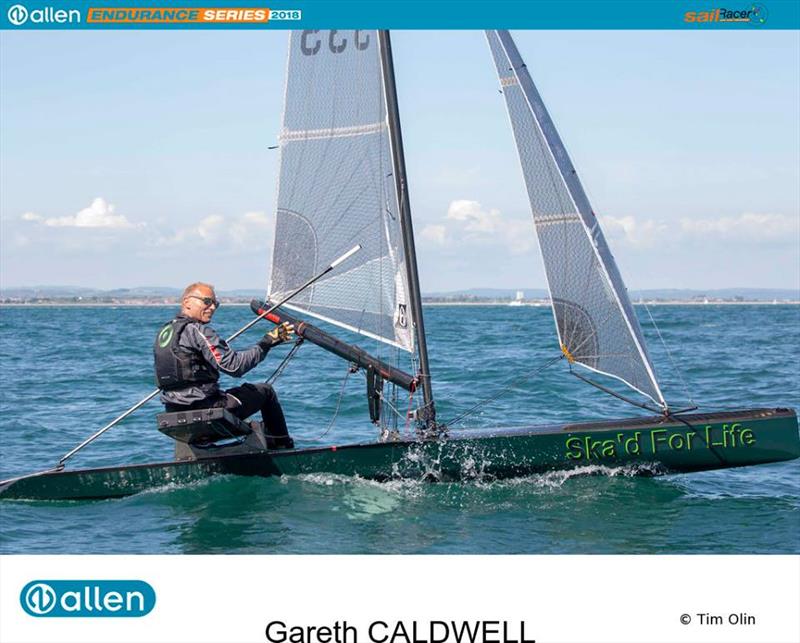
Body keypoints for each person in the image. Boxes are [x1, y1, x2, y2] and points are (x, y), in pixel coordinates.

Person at [154, 281, 295, 449]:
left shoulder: (165, 332)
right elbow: (234, 367)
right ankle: (283, 447)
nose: (212, 307)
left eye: (215, 303)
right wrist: (266, 343)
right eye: (207, 301)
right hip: (207, 410)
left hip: (173, 411)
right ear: (187, 302)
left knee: (232, 394)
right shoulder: (197, 330)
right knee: (266, 391)